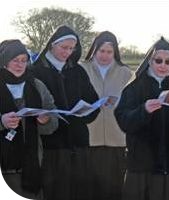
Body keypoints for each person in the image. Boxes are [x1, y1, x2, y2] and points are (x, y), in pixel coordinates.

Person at [114, 37, 169, 200]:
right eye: (159, 60)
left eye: (168, 62)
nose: (163, 65)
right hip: (142, 164)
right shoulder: (135, 86)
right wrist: (144, 110)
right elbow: (123, 119)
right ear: (150, 61)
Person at [31, 25, 100, 200]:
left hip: (78, 142)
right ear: (52, 45)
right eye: (64, 47)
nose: (67, 52)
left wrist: (87, 111)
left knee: (80, 191)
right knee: (55, 191)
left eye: (71, 48)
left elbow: (93, 100)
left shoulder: (77, 71)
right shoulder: (35, 72)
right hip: (51, 145)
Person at [0, 39, 58, 199]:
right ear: (4, 61)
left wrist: (45, 121)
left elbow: (54, 120)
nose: (20, 65)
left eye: (24, 60)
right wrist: (2, 121)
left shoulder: (37, 86)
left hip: (31, 163)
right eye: (15, 60)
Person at [80, 31, 132, 200]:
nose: (105, 55)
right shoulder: (82, 69)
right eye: (101, 51)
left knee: (115, 187)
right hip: (89, 137)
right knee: (90, 187)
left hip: (117, 138)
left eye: (109, 52)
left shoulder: (126, 73)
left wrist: (118, 102)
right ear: (94, 50)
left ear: (115, 52)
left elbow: (132, 102)